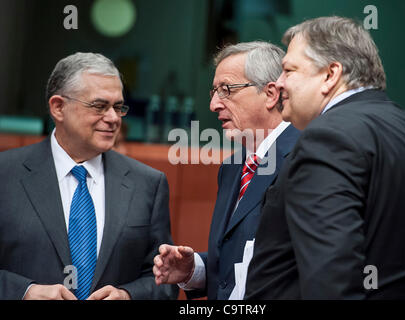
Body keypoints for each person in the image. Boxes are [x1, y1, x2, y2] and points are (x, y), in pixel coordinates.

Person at [245, 16, 405, 299]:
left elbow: (331, 281)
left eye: (289, 70)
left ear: (330, 75)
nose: (278, 84)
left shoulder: (328, 138)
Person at [0, 52, 178, 300]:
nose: (114, 118)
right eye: (99, 106)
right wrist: (25, 293)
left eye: (118, 107)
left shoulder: (147, 183)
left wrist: (128, 296)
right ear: (58, 107)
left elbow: (165, 281)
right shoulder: (5, 175)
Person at [153, 41, 300, 299]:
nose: (214, 104)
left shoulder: (305, 159)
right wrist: (194, 270)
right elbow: (241, 257)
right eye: (213, 91)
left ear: (271, 94)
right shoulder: (233, 166)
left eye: (226, 90)